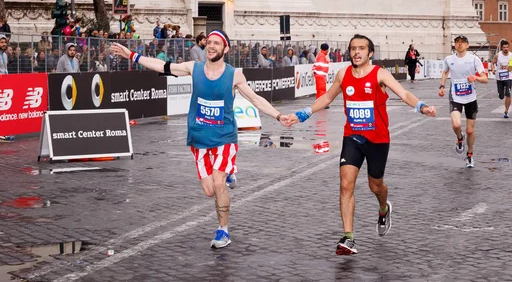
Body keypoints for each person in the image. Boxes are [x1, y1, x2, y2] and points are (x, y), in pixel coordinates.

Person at [110, 30, 290, 249]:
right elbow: (161, 66)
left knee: (218, 182)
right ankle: (230, 171)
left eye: (217, 43)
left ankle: (223, 231)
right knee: (209, 190)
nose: (211, 46)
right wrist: (132, 55)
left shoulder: (234, 75)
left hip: (224, 137)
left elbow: (256, 99)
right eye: (209, 43)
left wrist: (279, 116)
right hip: (199, 138)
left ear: (226, 49)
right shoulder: (193, 68)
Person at [286, 34, 436, 255]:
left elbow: (403, 93)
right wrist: (303, 114)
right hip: (353, 137)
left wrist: (421, 107)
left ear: (370, 53)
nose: (356, 52)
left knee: (375, 186)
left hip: (378, 139)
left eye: (361, 49)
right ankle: (348, 238)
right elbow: (327, 98)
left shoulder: (380, 74)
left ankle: (384, 209)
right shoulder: (343, 74)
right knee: (346, 185)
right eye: (353, 48)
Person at [438, 35, 488, 168]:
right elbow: (445, 72)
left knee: (470, 131)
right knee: (456, 124)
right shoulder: (449, 59)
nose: (459, 44)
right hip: (455, 96)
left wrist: (475, 77)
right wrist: (442, 86)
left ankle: (470, 154)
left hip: (471, 98)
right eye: (457, 42)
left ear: (467, 45)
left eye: (462, 42)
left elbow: (485, 79)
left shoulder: (474, 59)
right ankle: (460, 138)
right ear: (455, 45)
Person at [491, 41, 512, 118]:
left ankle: (506, 111)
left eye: (507, 47)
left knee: (508, 93)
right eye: (504, 47)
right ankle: (502, 92)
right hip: (499, 77)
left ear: (509, 47)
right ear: (501, 48)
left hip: (508, 77)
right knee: (501, 96)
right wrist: (493, 69)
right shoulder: (498, 55)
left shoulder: (511, 55)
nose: (505, 49)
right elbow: (492, 63)